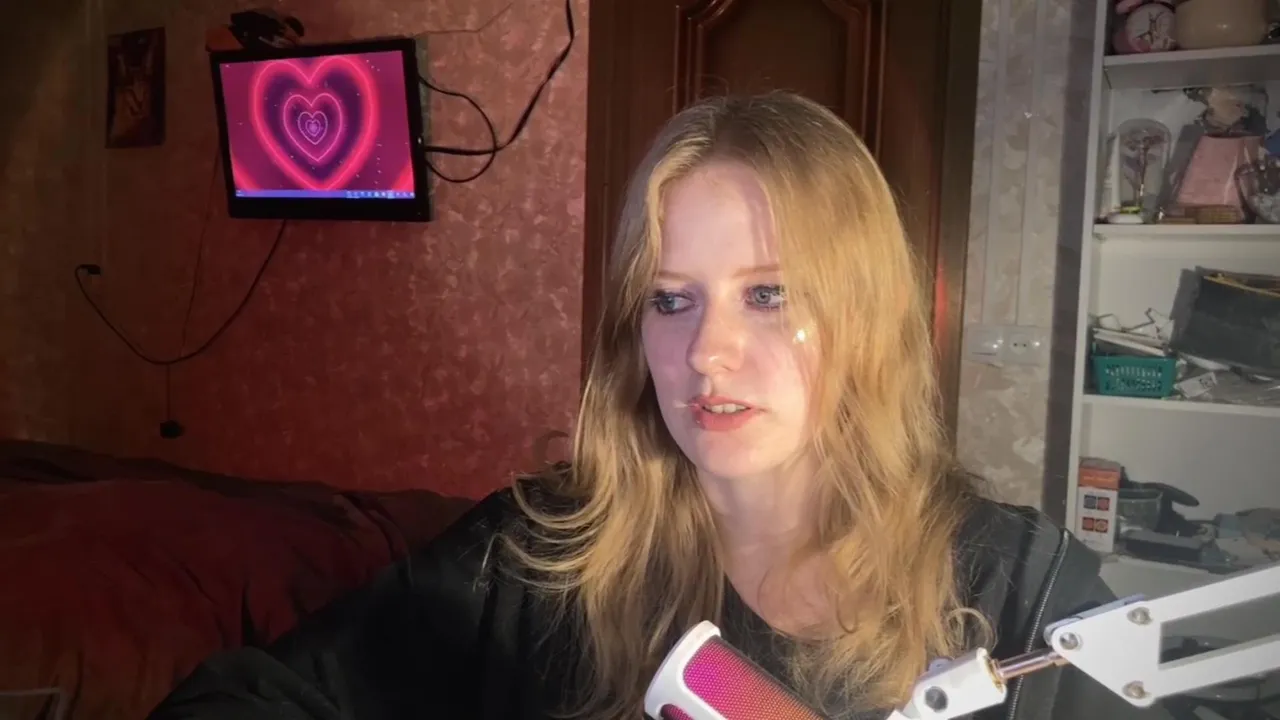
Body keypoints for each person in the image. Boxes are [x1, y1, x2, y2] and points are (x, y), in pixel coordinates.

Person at [147, 92, 1167, 720]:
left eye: (769, 295)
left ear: (864, 316)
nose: (705, 353)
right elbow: (244, 699)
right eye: (669, 300)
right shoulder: (539, 558)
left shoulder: (1022, 592)